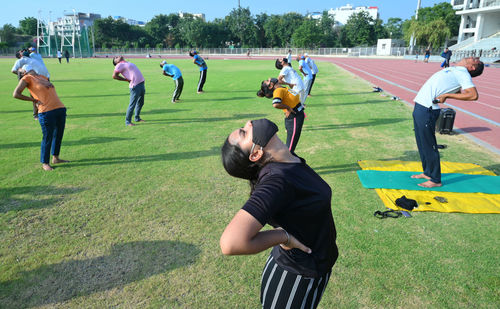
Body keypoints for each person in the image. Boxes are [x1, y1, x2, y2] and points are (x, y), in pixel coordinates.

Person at [220, 118, 338, 309]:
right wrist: (283, 236)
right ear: (256, 154)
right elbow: (230, 243)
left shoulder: (289, 162)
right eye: (243, 132)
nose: (249, 123)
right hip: (295, 278)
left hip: (315, 268)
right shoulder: (277, 181)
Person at [412, 57, 484, 188]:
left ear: (472, 67)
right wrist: (451, 92)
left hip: (428, 109)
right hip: (420, 106)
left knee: (429, 145)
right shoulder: (456, 69)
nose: (474, 57)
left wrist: (447, 96)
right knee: (421, 143)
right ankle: (428, 172)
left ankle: (435, 180)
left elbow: (473, 95)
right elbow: (457, 89)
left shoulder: (463, 73)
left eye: (476, 60)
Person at [12, 69, 69, 171]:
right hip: (46, 111)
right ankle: (45, 163)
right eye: (23, 68)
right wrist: (34, 100)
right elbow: (16, 94)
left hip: (60, 108)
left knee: (58, 135)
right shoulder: (27, 78)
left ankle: (56, 158)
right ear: (23, 73)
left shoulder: (42, 77)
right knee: (48, 137)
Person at [257, 77, 305, 153]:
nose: (270, 78)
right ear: (270, 86)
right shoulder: (278, 91)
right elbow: (275, 104)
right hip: (294, 118)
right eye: (268, 80)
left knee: (291, 146)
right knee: (290, 148)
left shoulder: (282, 88)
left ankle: (287, 160)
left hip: (297, 116)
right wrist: (288, 108)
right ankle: (285, 162)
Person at [11, 49, 50, 120]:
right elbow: (13, 70)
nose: (22, 51)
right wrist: (23, 74)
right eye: (21, 51)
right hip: (40, 79)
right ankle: (37, 114)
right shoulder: (21, 60)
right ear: (20, 55)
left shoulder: (30, 59)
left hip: (43, 78)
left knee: (42, 97)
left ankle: (42, 113)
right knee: (37, 97)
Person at [112, 56, 146, 126]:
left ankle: (137, 118)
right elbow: (114, 76)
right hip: (135, 86)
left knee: (141, 103)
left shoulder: (126, 63)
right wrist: (126, 80)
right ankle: (128, 122)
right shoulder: (119, 65)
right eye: (115, 57)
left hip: (141, 84)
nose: (117, 56)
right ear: (116, 62)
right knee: (132, 105)